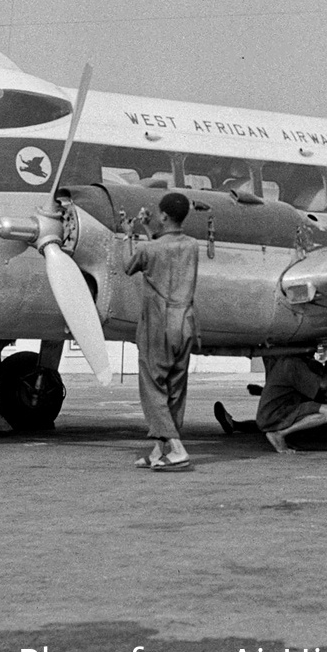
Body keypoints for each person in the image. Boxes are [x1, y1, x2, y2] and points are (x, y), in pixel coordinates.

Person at [125, 192, 197, 471]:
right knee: (175, 388)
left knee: (153, 387)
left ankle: (177, 449)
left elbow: (129, 265)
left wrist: (128, 236)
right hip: (186, 322)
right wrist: (147, 231)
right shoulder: (192, 246)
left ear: (164, 216)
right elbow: (166, 249)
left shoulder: (149, 250)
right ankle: (159, 451)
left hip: (159, 324)